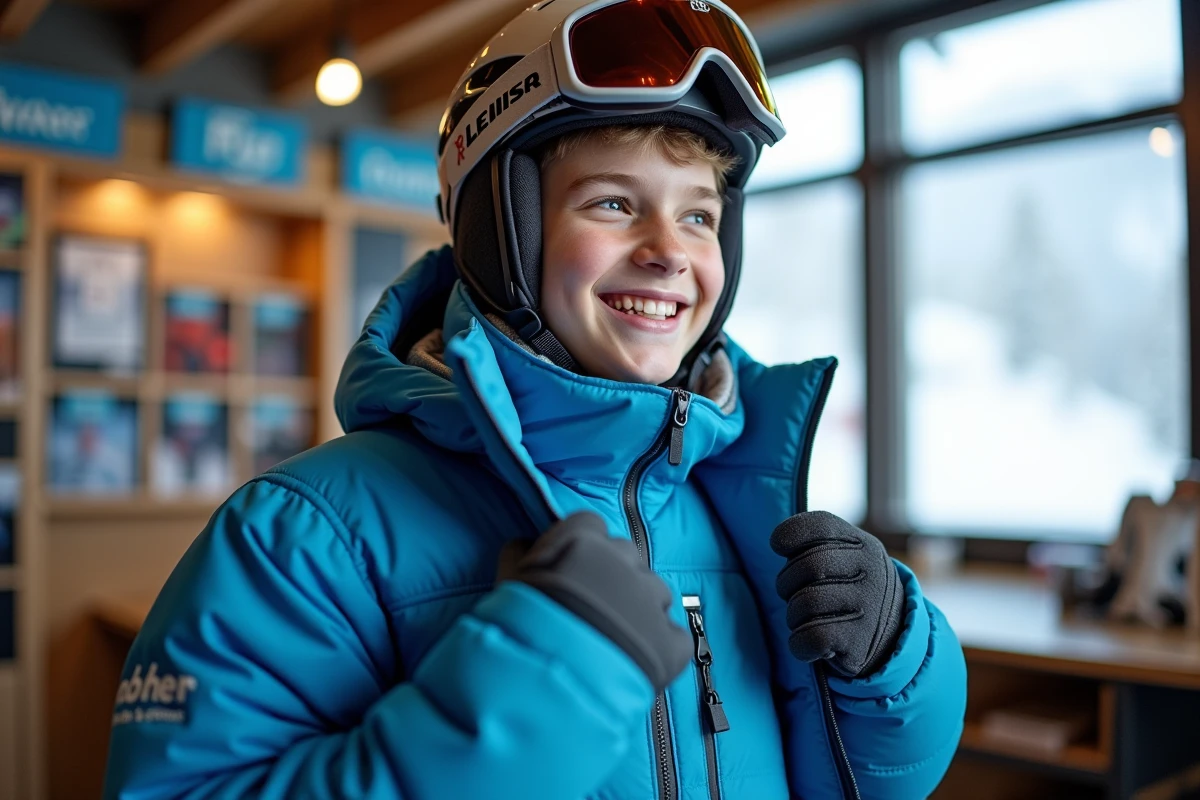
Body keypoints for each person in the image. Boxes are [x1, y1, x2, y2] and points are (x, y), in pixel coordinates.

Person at [103, 1, 967, 797]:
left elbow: (870, 783)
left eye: (699, 216)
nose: (670, 252)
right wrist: (543, 681)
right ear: (502, 234)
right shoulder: (305, 534)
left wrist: (900, 663)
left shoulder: (736, 493)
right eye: (615, 203)